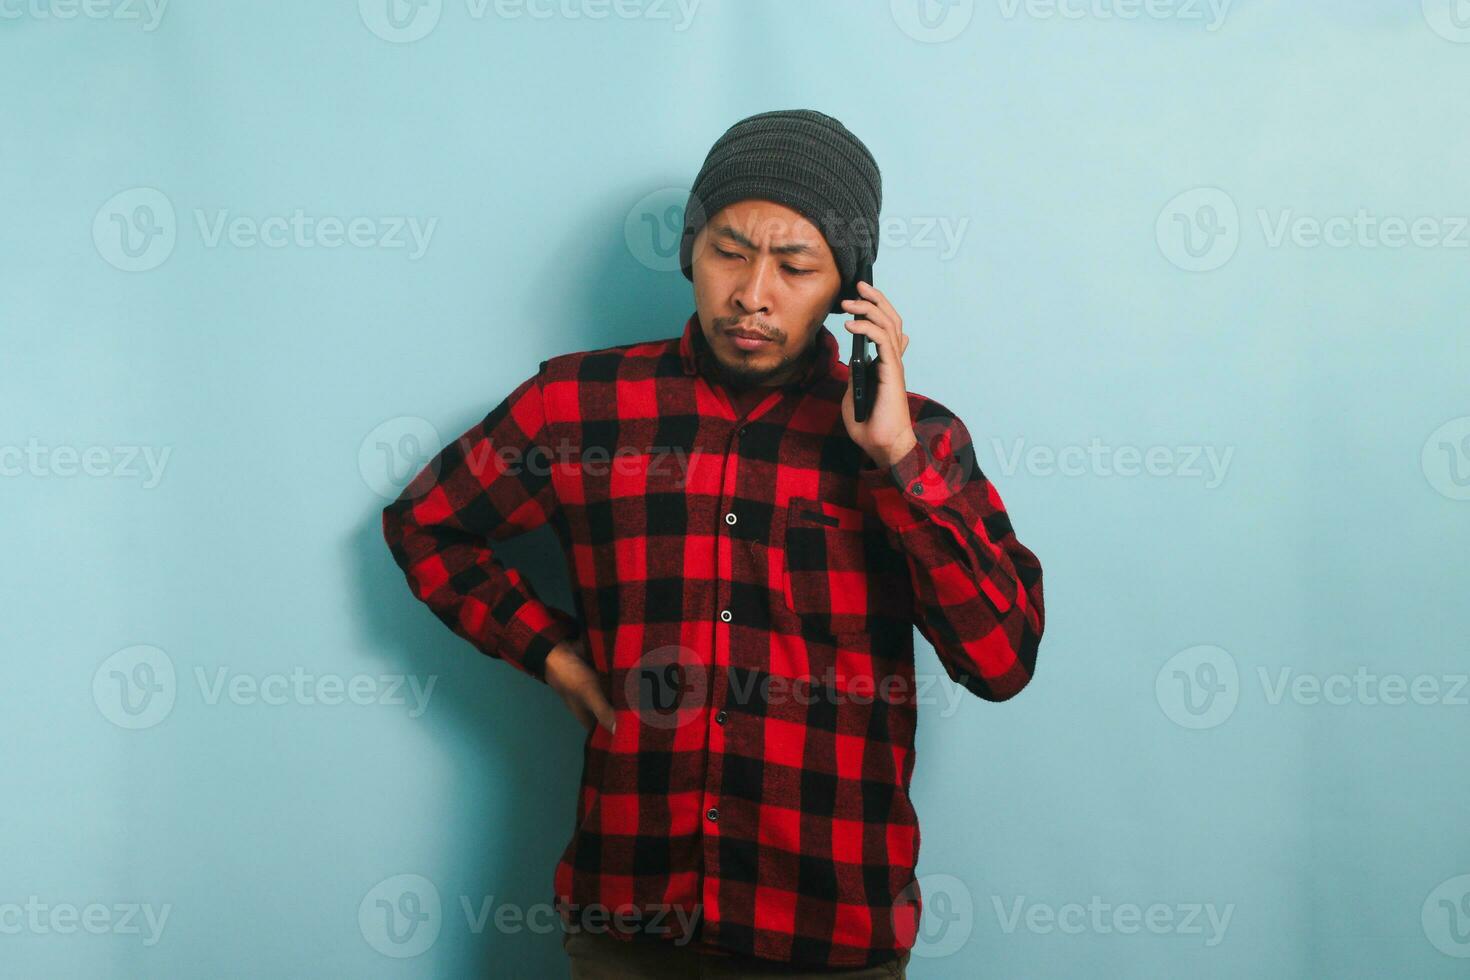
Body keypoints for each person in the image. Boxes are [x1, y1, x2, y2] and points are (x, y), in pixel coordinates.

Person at [381, 108, 1045, 978]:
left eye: (796, 265)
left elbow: (1001, 662)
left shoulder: (917, 441)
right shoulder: (579, 405)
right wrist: (552, 654)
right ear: (690, 249)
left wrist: (894, 462)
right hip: (629, 921)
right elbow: (427, 525)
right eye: (730, 251)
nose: (753, 294)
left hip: (828, 928)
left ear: (851, 287)